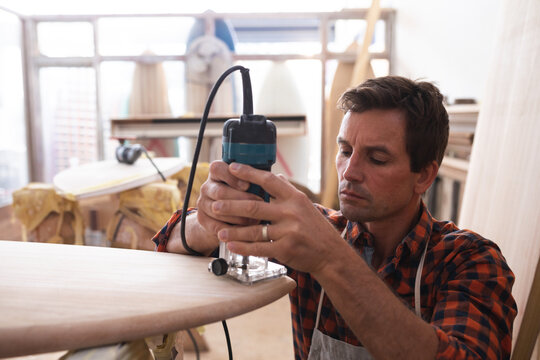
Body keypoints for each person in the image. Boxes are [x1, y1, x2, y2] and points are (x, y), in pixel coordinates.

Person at [153, 76, 517, 360]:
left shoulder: (470, 260)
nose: (350, 172)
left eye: (376, 159)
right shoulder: (315, 231)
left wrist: (329, 259)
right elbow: (168, 240)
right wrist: (206, 225)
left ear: (423, 175)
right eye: (345, 150)